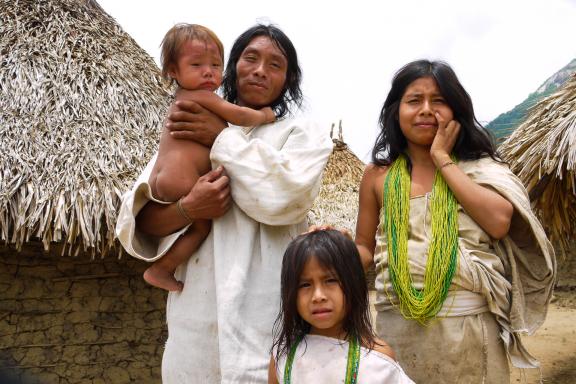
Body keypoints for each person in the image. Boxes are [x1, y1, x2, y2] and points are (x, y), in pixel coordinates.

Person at [115, 24, 333, 383]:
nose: (260, 70)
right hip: (193, 323)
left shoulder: (301, 134)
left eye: (275, 65)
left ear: (288, 79)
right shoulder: (188, 127)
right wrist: (189, 209)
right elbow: (140, 221)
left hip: (266, 318)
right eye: (250, 58)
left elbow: (282, 198)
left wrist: (222, 139)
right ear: (233, 67)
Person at [355, 59, 556, 383]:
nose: (425, 110)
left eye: (438, 101)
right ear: (395, 111)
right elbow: (363, 246)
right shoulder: (377, 176)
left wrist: (443, 160)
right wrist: (334, 249)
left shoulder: (480, 167)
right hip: (399, 331)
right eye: (413, 100)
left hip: (470, 332)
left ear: (456, 111)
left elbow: (499, 222)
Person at [144, 23, 276, 292]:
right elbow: (238, 115)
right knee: (200, 229)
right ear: (173, 71)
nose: (208, 72)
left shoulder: (183, 99)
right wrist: (264, 115)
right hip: (183, 179)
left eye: (215, 65)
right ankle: (161, 269)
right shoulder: (202, 97)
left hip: (166, 176)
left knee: (195, 227)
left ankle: (162, 268)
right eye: (196, 65)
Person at [269, 229, 414, 384]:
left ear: (353, 283)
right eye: (305, 284)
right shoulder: (284, 356)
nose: (318, 296)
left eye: (330, 280)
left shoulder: (377, 360)